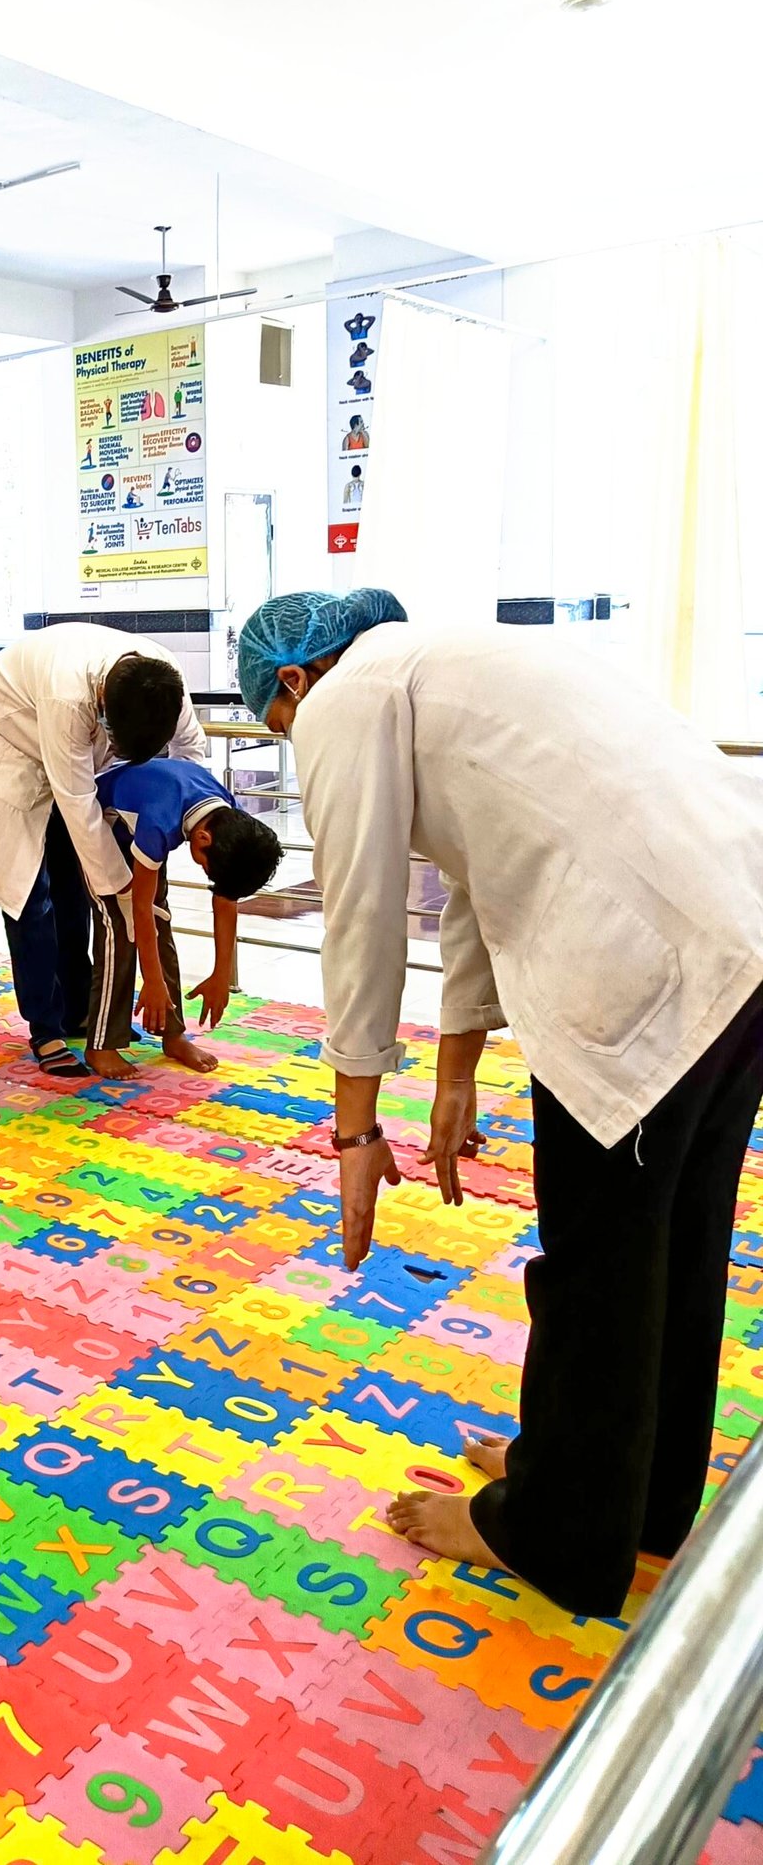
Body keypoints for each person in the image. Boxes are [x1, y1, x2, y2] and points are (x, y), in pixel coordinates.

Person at [237, 588, 763, 1618]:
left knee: (597, 1263)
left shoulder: (346, 697)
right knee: (677, 1240)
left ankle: (556, 1531)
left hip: (639, 961)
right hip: (740, 929)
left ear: (294, 680)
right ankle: (635, 1499)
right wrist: (453, 1071)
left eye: (279, 722)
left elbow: (360, 912)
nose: (293, 738)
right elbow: (477, 877)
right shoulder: (450, 661)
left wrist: (353, 1129)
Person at [0, 624, 208, 1078]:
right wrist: (125, 887)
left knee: (76, 886)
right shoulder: (67, 697)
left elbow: (188, 753)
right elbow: (78, 803)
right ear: (104, 710)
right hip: (6, 736)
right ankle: (46, 1029)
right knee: (31, 893)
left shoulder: (165, 679)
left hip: (69, 750)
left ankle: (79, 1011)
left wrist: (162, 820)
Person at [86, 756, 282, 1079]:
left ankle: (172, 1034)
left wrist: (221, 975)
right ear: (203, 840)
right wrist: (152, 981)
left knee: (160, 924)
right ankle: (101, 1044)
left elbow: (225, 900)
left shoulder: (230, 820)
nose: (205, 871)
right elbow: (140, 909)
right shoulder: (160, 821)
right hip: (98, 827)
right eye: (207, 868)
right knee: (118, 930)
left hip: (138, 835)